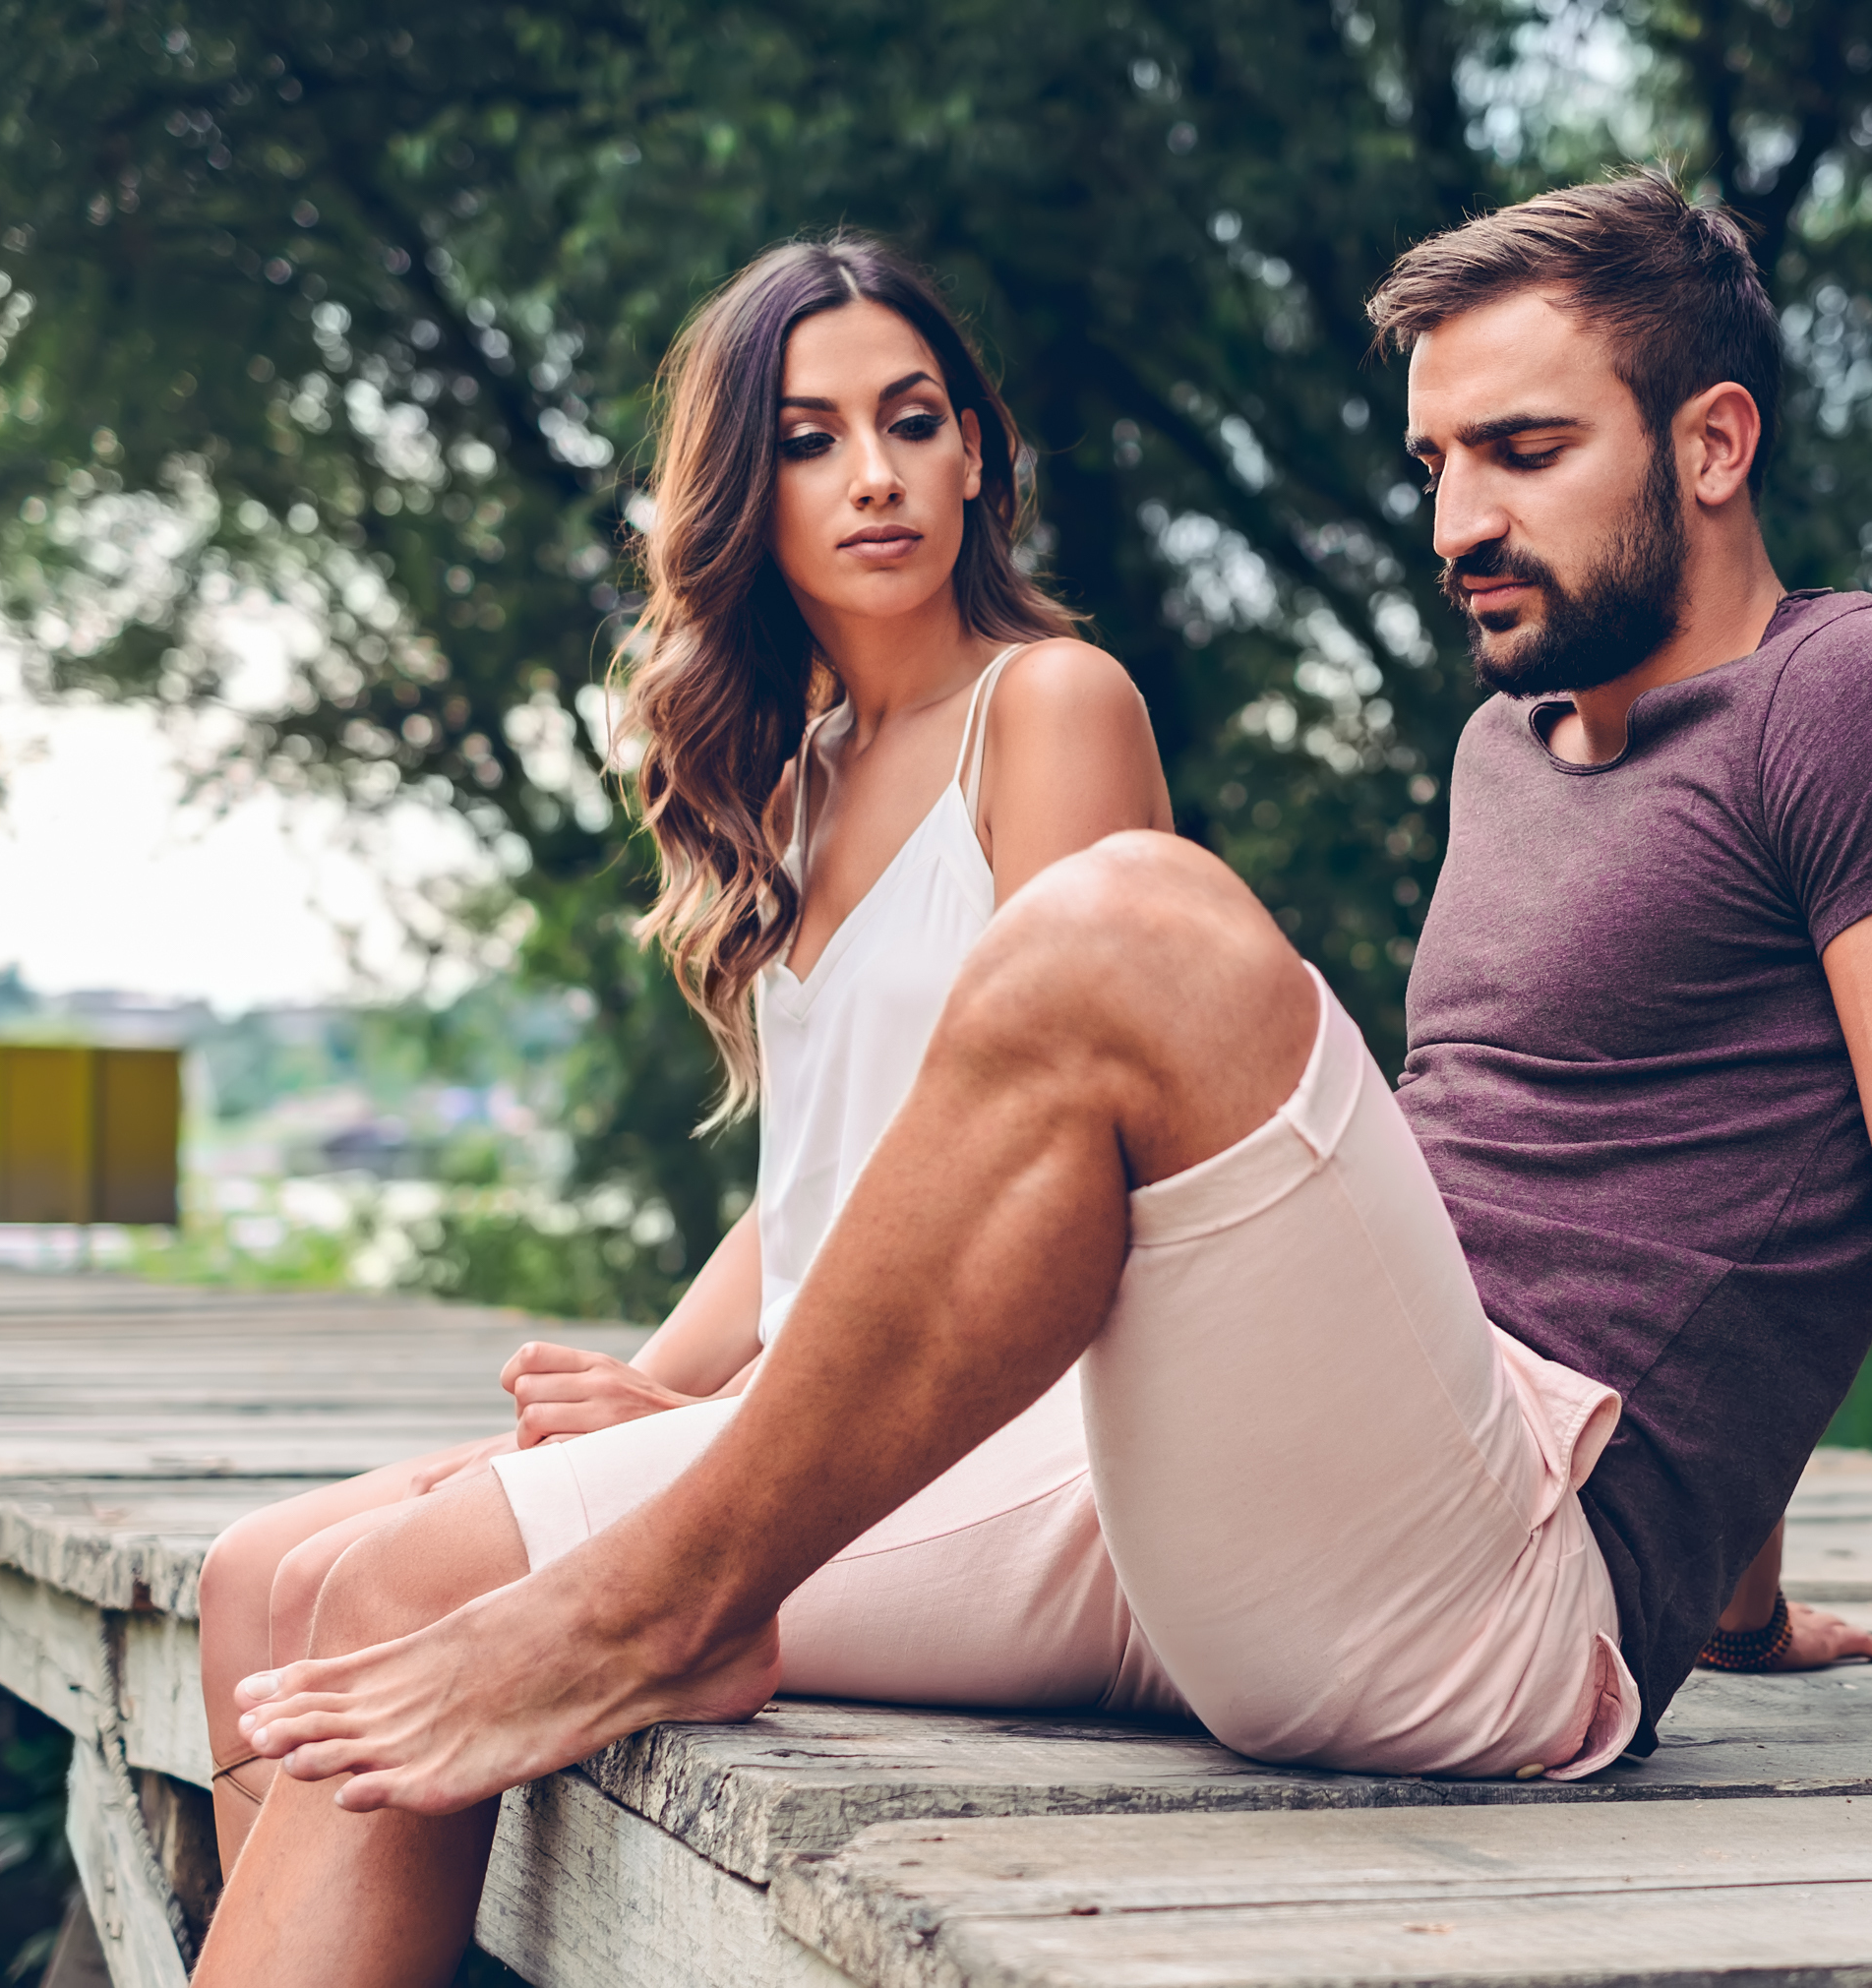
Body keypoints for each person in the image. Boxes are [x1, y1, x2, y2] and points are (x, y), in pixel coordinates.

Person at [195, 175, 1872, 1986]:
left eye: (1527, 450)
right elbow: (1664, 1190)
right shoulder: (1511, 748)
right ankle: (651, 1591)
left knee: (1129, 925)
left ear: (1717, 436)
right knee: (336, 1581)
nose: (1461, 517)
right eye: (1439, 460)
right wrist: (1748, 1581)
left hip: (1494, 1602)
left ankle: (658, 1602)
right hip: (1283, 1502)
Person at [192, 227, 1178, 1872]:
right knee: (249, 1575)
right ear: (743, 492)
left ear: (977, 449)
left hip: (989, 1439)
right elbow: (823, 1184)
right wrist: (641, 1397)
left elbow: (1060, 1190)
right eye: (810, 440)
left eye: (912, 419)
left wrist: (724, 1413)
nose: (875, 476)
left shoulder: (1054, 709)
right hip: (802, 1409)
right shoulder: (794, 783)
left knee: (360, 1588)